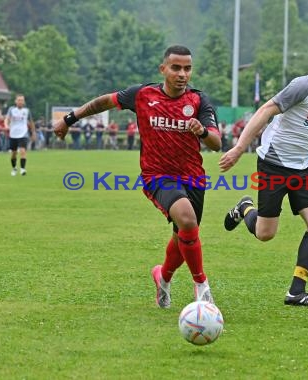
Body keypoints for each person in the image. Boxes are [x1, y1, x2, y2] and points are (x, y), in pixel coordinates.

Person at [54, 45, 222, 308]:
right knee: (188, 221)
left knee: (183, 237)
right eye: (176, 67)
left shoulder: (199, 101)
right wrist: (69, 119)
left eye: (187, 68)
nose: (182, 74)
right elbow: (103, 102)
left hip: (193, 179)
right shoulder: (142, 95)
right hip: (157, 176)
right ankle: (201, 286)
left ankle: (162, 278)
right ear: (163, 69)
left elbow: (216, 143)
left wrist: (201, 131)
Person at [219, 43, 308, 307]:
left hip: (302, 169)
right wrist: (239, 148)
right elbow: (265, 111)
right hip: (274, 164)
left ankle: (296, 291)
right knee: (265, 233)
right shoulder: (302, 87)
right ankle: (245, 208)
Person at [5, 94, 35, 176]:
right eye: (19, 100)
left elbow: (31, 122)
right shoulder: (11, 109)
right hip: (13, 134)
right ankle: (14, 168)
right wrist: (6, 125)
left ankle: (22, 169)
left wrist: (33, 133)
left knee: (22, 151)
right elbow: (7, 119)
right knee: (14, 153)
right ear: (15, 101)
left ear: (24, 102)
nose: (20, 102)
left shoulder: (27, 111)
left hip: (23, 133)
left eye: (22, 100)